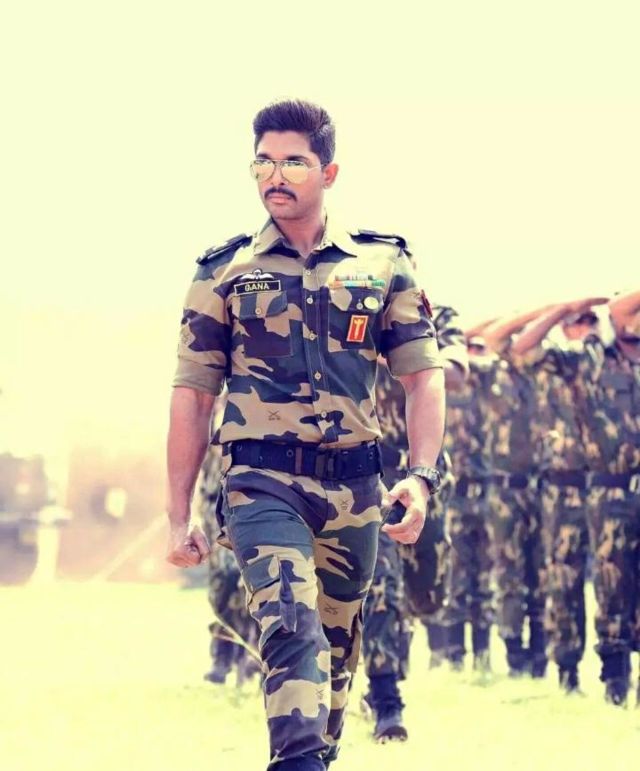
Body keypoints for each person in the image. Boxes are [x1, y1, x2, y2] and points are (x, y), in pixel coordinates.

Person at [165, 98, 445, 770]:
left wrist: (421, 476)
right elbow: (193, 396)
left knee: (336, 654)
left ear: (329, 172)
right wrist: (177, 517)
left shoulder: (383, 263)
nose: (275, 175)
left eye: (293, 161)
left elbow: (422, 378)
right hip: (261, 482)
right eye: (262, 162)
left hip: (355, 487)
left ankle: (316, 753)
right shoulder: (223, 270)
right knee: (290, 622)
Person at [511, 291, 640, 706]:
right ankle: (614, 679)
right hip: (608, 491)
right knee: (611, 584)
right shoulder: (588, 361)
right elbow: (520, 349)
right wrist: (563, 309)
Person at [361, 302, 467, 743]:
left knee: (428, 594)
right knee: (379, 585)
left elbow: (455, 374)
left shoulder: (438, 316)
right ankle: (386, 699)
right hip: (369, 472)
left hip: (424, 473)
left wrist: (404, 349)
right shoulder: (354, 311)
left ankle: (397, 629)